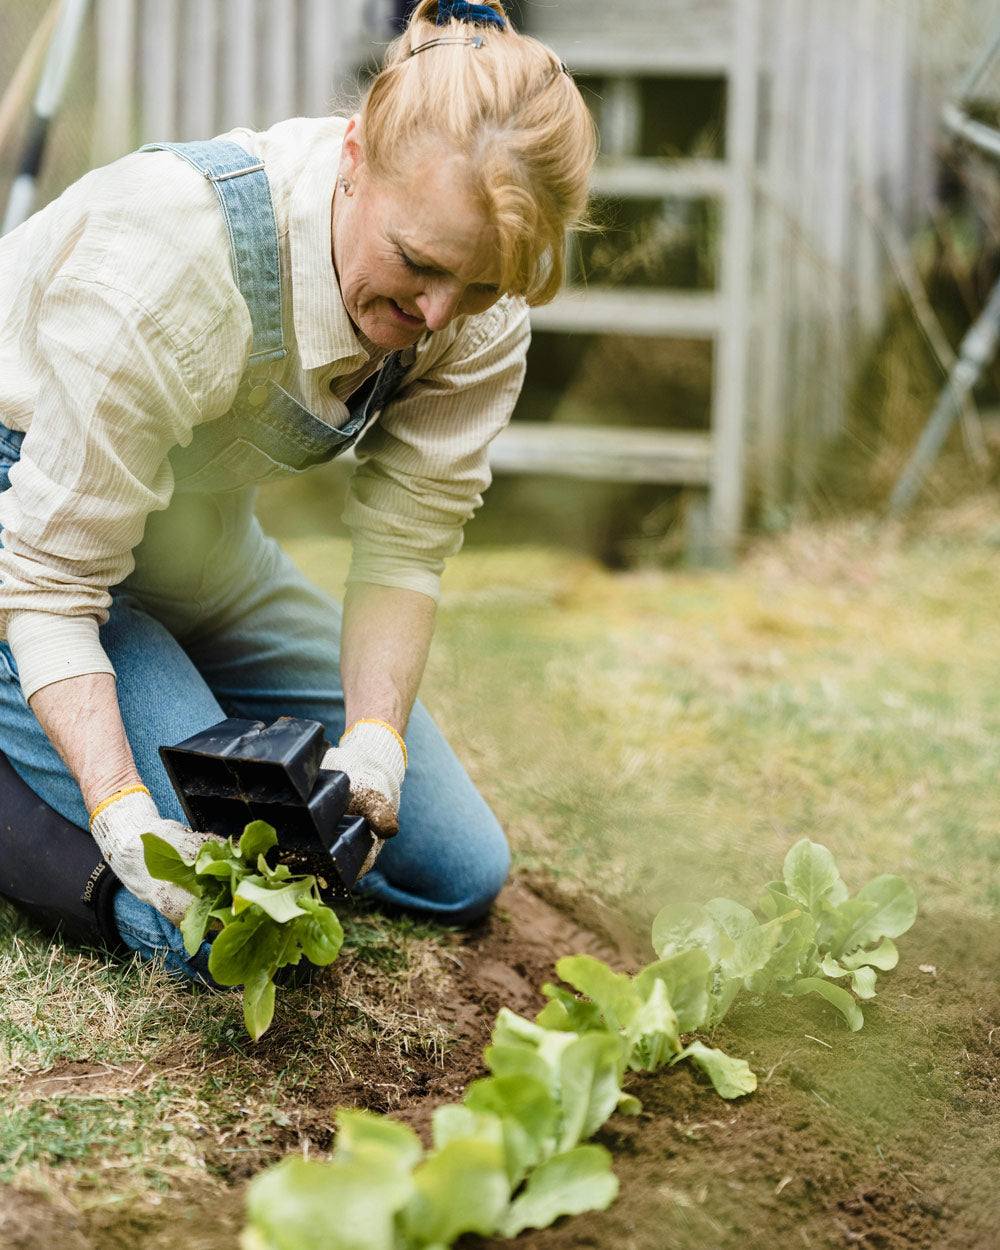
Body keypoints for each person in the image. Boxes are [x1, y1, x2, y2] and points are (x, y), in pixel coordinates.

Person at [0, 0, 597, 978]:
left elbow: (404, 547)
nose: (438, 314)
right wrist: (117, 806)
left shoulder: (476, 297)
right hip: (29, 539)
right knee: (214, 923)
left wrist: (372, 741)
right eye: (418, 264)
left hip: (197, 541)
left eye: (479, 288)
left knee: (457, 868)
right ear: (354, 155)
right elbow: (56, 589)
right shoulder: (168, 263)